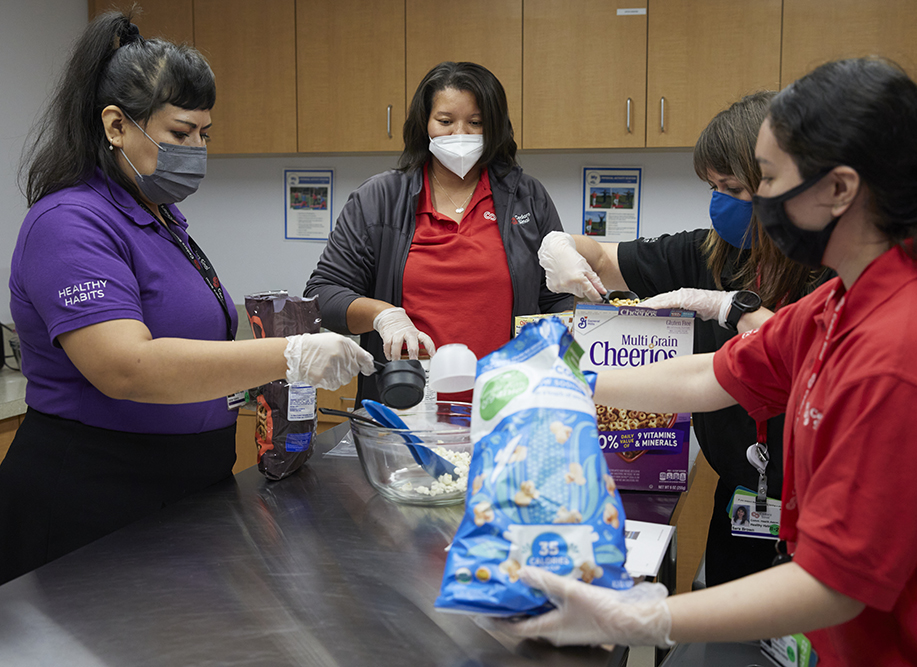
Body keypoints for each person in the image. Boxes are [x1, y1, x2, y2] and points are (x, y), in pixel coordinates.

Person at [488, 57, 917, 665]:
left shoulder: (906, 353)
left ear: (838, 189)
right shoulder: (841, 302)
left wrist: (636, 613)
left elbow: (833, 585)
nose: (757, 203)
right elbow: (714, 375)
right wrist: (569, 380)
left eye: (766, 180)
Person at [1, 12, 374, 585]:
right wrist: (290, 354)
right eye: (180, 133)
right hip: (93, 497)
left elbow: (198, 339)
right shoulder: (69, 223)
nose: (196, 149)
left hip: (182, 490)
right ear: (115, 125)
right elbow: (129, 366)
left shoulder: (162, 219)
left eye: (204, 134)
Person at [539, 91, 830, 587]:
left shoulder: (828, 269)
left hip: (821, 501)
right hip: (745, 496)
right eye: (712, 186)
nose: (719, 199)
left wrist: (730, 307)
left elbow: (798, 360)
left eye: (733, 186)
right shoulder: (709, 253)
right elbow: (605, 259)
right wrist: (562, 247)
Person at [304, 61, 573, 404]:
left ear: (495, 128)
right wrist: (382, 315)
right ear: (425, 123)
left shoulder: (527, 198)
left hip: (507, 406)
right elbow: (321, 295)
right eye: (445, 121)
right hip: (405, 405)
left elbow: (557, 299)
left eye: (476, 123)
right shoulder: (380, 199)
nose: (459, 133)